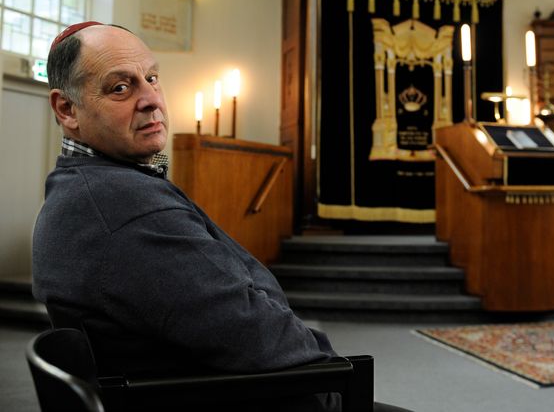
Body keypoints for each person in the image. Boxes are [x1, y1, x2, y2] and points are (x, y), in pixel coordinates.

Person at [32, 22, 411, 412]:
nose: (152, 100)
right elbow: (255, 335)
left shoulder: (86, 187)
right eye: (121, 88)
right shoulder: (122, 205)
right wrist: (335, 369)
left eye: (152, 78)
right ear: (67, 108)